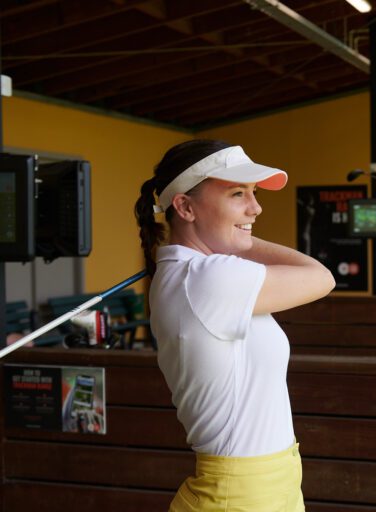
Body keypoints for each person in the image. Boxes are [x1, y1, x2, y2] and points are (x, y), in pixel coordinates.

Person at [134, 140, 335, 512]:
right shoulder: (207, 277)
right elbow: (321, 277)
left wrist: (234, 231)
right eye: (238, 194)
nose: (255, 208)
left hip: (269, 485)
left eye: (254, 193)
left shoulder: (200, 273)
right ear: (185, 206)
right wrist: (240, 239)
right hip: (240, 496)